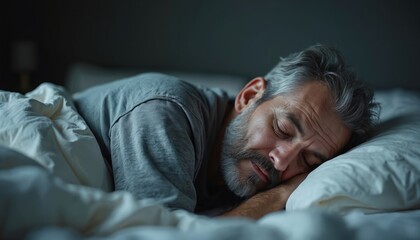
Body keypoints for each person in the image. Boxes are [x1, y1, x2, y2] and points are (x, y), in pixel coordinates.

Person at [73, 44, 379, 219]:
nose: (283, 163)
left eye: (309, 162)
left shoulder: (237, 175)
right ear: (249, 96)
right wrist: (278, 196)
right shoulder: (165, 110)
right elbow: (160, 235)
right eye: (283, 129)